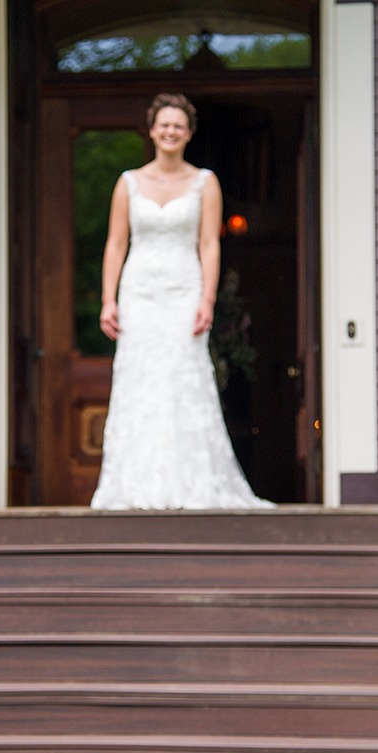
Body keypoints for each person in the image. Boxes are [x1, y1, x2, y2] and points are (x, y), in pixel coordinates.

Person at [91, 93, 273, 511]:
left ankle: (190, 482)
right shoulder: (128, 182)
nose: (170, 132)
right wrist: (108, 299)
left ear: (188, 133)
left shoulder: (205, 182)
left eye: (179, 126)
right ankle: (133, 483)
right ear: (152, 130)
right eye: (163, 125)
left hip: (183, 288)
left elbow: (209, 244)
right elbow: (116, 244)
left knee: (182, 376)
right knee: (140, 378)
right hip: (138, 291)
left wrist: (207, 299)